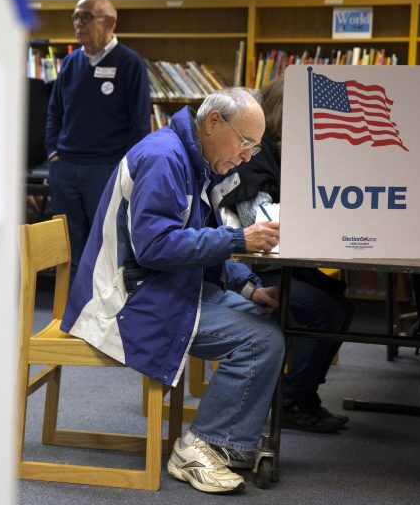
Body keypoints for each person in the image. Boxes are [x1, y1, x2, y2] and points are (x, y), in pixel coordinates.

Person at [61, 88, 284, 495]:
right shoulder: (164, 158)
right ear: (214, 123)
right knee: (259, 340)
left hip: (162, 285)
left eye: (255, 146)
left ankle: (226, 437)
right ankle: (201, 445)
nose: (249, 156)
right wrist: (237, 240)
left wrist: (248, 287)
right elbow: (155, 246)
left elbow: (195, 244)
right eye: (246, 143)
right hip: (124, 301)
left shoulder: (191, 158)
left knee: (262, 321)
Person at [219, 74, 354, 433]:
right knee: (329, 312)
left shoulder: (288, 152)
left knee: (339, 304)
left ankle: (301, 395)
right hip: (251, 269)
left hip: (280, 262)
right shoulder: (254, 155)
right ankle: (293, 400)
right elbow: (257, 222)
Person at [45, 0, 151, 278]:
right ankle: (67, 309)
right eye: (76, 17)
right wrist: (53, 153)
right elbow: (54, 111)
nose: (79, 23)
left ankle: (104, 312)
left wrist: (125, 169)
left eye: (87, 17)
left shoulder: (130, 64)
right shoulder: (69, 63)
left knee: (107, 244)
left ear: (110, 22)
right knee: (67, 245)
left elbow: (139, 124)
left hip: (105, 170)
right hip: (66, 168)